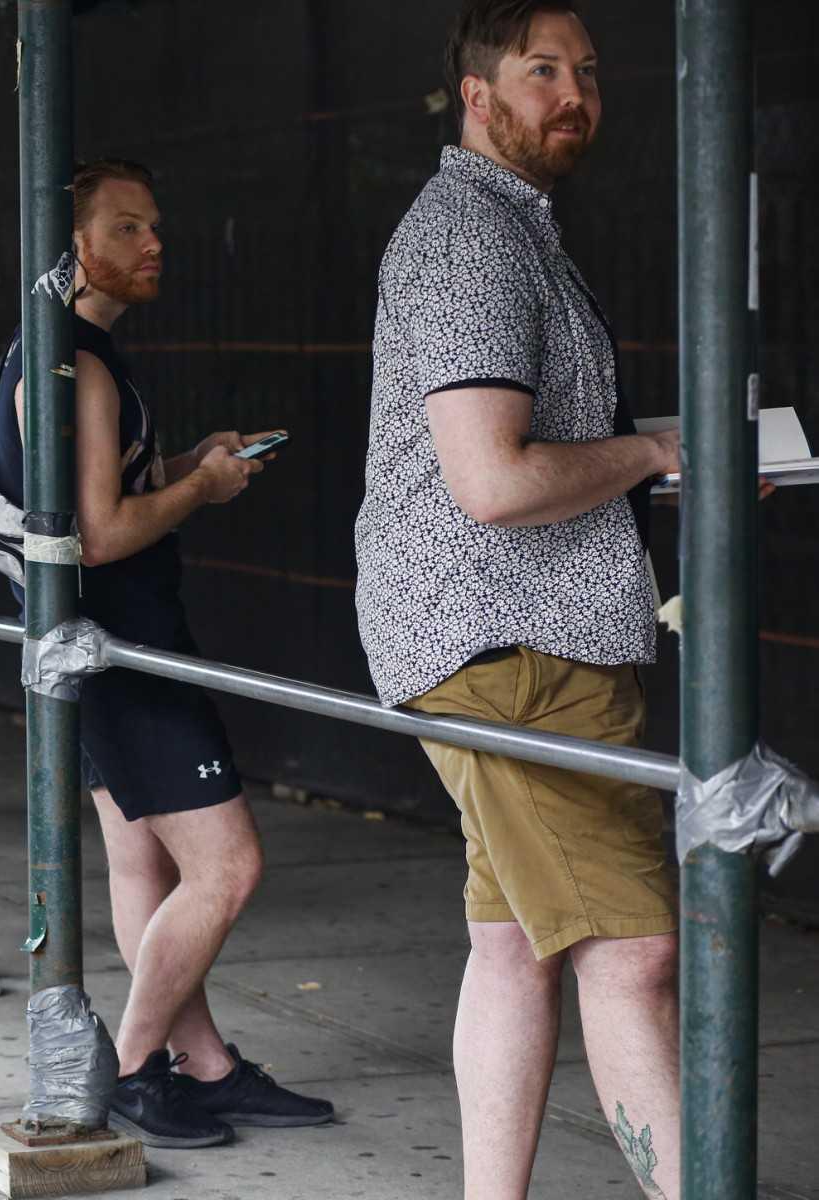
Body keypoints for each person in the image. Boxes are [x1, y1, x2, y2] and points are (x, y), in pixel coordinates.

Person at [354, 4, 684, 1196]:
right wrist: (649, 453)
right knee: (633, 952)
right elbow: (491, 482)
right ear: (477, 96)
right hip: (509, 643)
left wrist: (651, 449)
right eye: (542, 70)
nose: (575, 93)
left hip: (508, 635)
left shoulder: (513, 229)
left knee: (509, 946)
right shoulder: (472, 238)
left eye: (588, 71)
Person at [0, 160, 333, 1146]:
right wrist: (203, 492)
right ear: (75, 248)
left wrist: (188, 463)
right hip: (123, 647)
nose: (153, 245)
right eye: (127, 228)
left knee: (141, 863)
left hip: (100, 644)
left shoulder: (56, 352)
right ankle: (139, 1066)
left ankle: (206, 1064)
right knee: (225, 868)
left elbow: (92, 498)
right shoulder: (78, 366)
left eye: (155, 226)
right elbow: (96, 534)